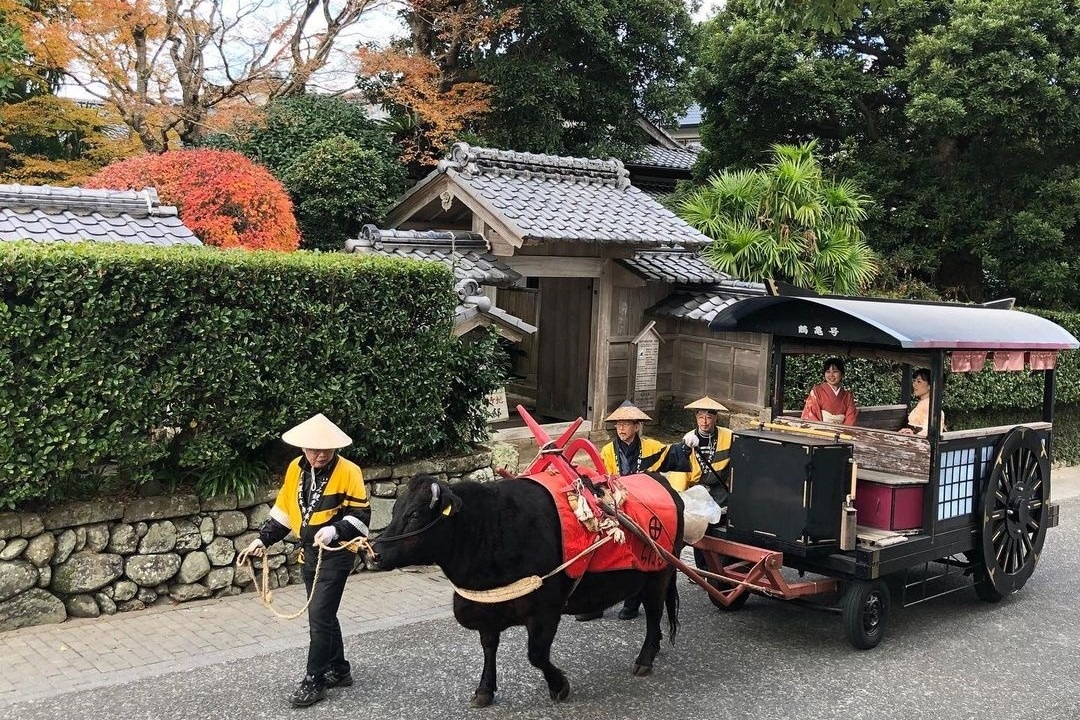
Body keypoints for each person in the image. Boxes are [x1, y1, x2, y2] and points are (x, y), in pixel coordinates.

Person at [242, 413, 371, 708]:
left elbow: (362, 517)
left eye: (327, 449)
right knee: (323, 615)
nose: (321, 454)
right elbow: (284, 511)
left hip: (338, 554)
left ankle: (314, 679)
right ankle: (339, 669)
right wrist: (263, 539)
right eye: (314, 449)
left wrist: (335, 529)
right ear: (303, 448)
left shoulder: (350, 471)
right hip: (308, 554)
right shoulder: (295, 470)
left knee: (319, 617)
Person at [577, 400, 679, 622]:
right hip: (615, 503)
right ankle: (596, 603)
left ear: (637, 426)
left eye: (626, 424)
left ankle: (632, 602)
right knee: (603, 552)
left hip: (642, 502)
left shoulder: (652, 447)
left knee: (638, 548)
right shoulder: (606, 450)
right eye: (619, 424)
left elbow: (669, 463)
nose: (622, 429)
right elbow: (599, 478)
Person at [672, 396, 734, 498]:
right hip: (695, 490)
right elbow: (681, 468)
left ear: (715, 418)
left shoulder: (728, 436)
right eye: (701, 417)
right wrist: (678, 495)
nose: (704, 422)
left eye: (708, 418)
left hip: (719, 488)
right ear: (696, 418)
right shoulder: (689, 438)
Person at [800, 357, 858, 425]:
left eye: (835, 371)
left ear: (842, 374)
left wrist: (843, 432)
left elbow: (851, 418)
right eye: (828, 371)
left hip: (841, 432)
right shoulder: (817, 391)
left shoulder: (848, 395)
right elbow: (810, 413)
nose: (831, 375)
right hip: (821, 430)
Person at [899, 368, 944, 437]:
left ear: (930, 385)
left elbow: (929, 431)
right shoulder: (923, 403)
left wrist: (914, 435)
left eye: (919, 382)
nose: (914, 385)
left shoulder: (931, 405)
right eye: (914, 381)